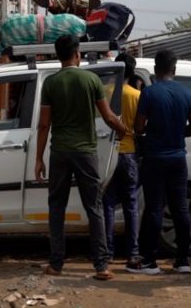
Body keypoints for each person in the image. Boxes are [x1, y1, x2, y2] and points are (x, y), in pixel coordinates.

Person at [35, 35, 128, 281]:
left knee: (57, 208)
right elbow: (108, 117)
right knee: (94, 207)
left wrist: (38, 159)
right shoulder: (91, 80)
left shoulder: (51, 83)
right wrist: (124, 131)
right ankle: (101, 266)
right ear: (78, 54)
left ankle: (56, 264)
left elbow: (44, 125)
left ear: (58, 55)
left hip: (60, 153)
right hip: (86, 152)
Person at [128, 49, 191, 275]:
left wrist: (152, 132)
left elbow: (139, 127)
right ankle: (182, 260)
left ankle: (150, 261)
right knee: (180, 208)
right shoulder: (187, 93)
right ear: (174, 69)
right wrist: (178, 133)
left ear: (155, 69)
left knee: (154, 208)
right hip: (178, 158)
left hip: (154, 158)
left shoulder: (149, 93)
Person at [102, 53, 141, 265]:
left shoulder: (105, 91)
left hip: (108, 154)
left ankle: (107, 253)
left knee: (107, 203)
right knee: (131, 204)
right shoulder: (136, 95)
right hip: (129, 153)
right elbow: (141, 126)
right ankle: (132, 253)